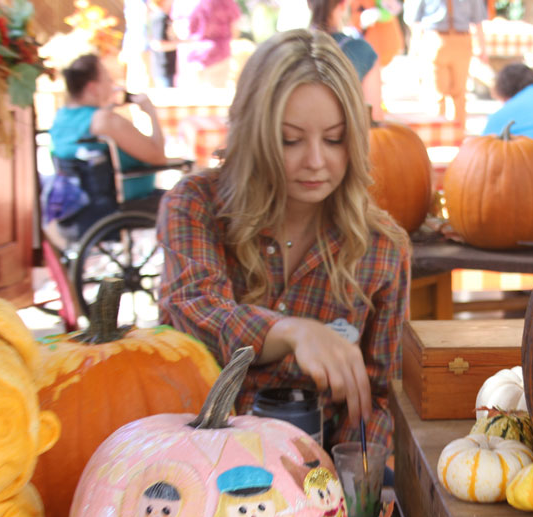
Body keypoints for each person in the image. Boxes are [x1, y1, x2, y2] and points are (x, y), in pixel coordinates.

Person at [157, 29, 411, 452]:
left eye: (334, 139)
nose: (315, 160)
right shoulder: (194, 204)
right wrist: (290, 331)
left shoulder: (383, 248)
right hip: (193, 458)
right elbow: (193, 311)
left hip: (315, 475)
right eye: (289, 140)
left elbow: (381, 396)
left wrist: (351, 478)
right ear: (255, 134)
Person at [47, 54, 169, 240]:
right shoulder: (104, 120)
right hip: (120, 204)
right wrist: (150, 112)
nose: (112, 83)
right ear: (92, 87)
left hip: (77, 205)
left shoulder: (61, 117)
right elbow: (159, 157)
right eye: (107, 78)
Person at [404, 0, 488, 128]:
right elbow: (415, 20)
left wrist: (482, 47)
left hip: (452, 40)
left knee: (452, 92)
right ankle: (443, 133)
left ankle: (454, 132)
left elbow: (415, 20)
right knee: (442, 92)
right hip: (440, 39)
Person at [309, 0, 385, 120]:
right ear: (344, 4)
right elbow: (373, 118)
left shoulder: (290, 50)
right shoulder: (361, 51)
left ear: (309, 3)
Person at [170, 0, 241, 87]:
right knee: (216, 95)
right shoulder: (225, 2)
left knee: (191, 95)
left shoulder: (181, 2)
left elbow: (176, 28)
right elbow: (235, 27)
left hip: (189, 53)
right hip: (219, 53)